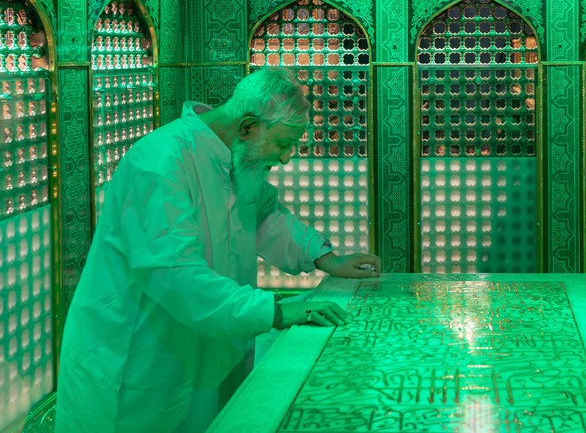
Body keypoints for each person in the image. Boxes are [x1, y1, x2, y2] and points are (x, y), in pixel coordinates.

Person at [55, 67, 382, 433]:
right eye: (284, 143)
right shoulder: (161, 163)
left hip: (211, 343)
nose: (287, 157)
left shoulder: (236, 157)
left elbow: (262, 216)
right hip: (141, 355)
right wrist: (275, 311)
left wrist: (326, 258)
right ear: (247, 126)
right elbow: (176, 279)